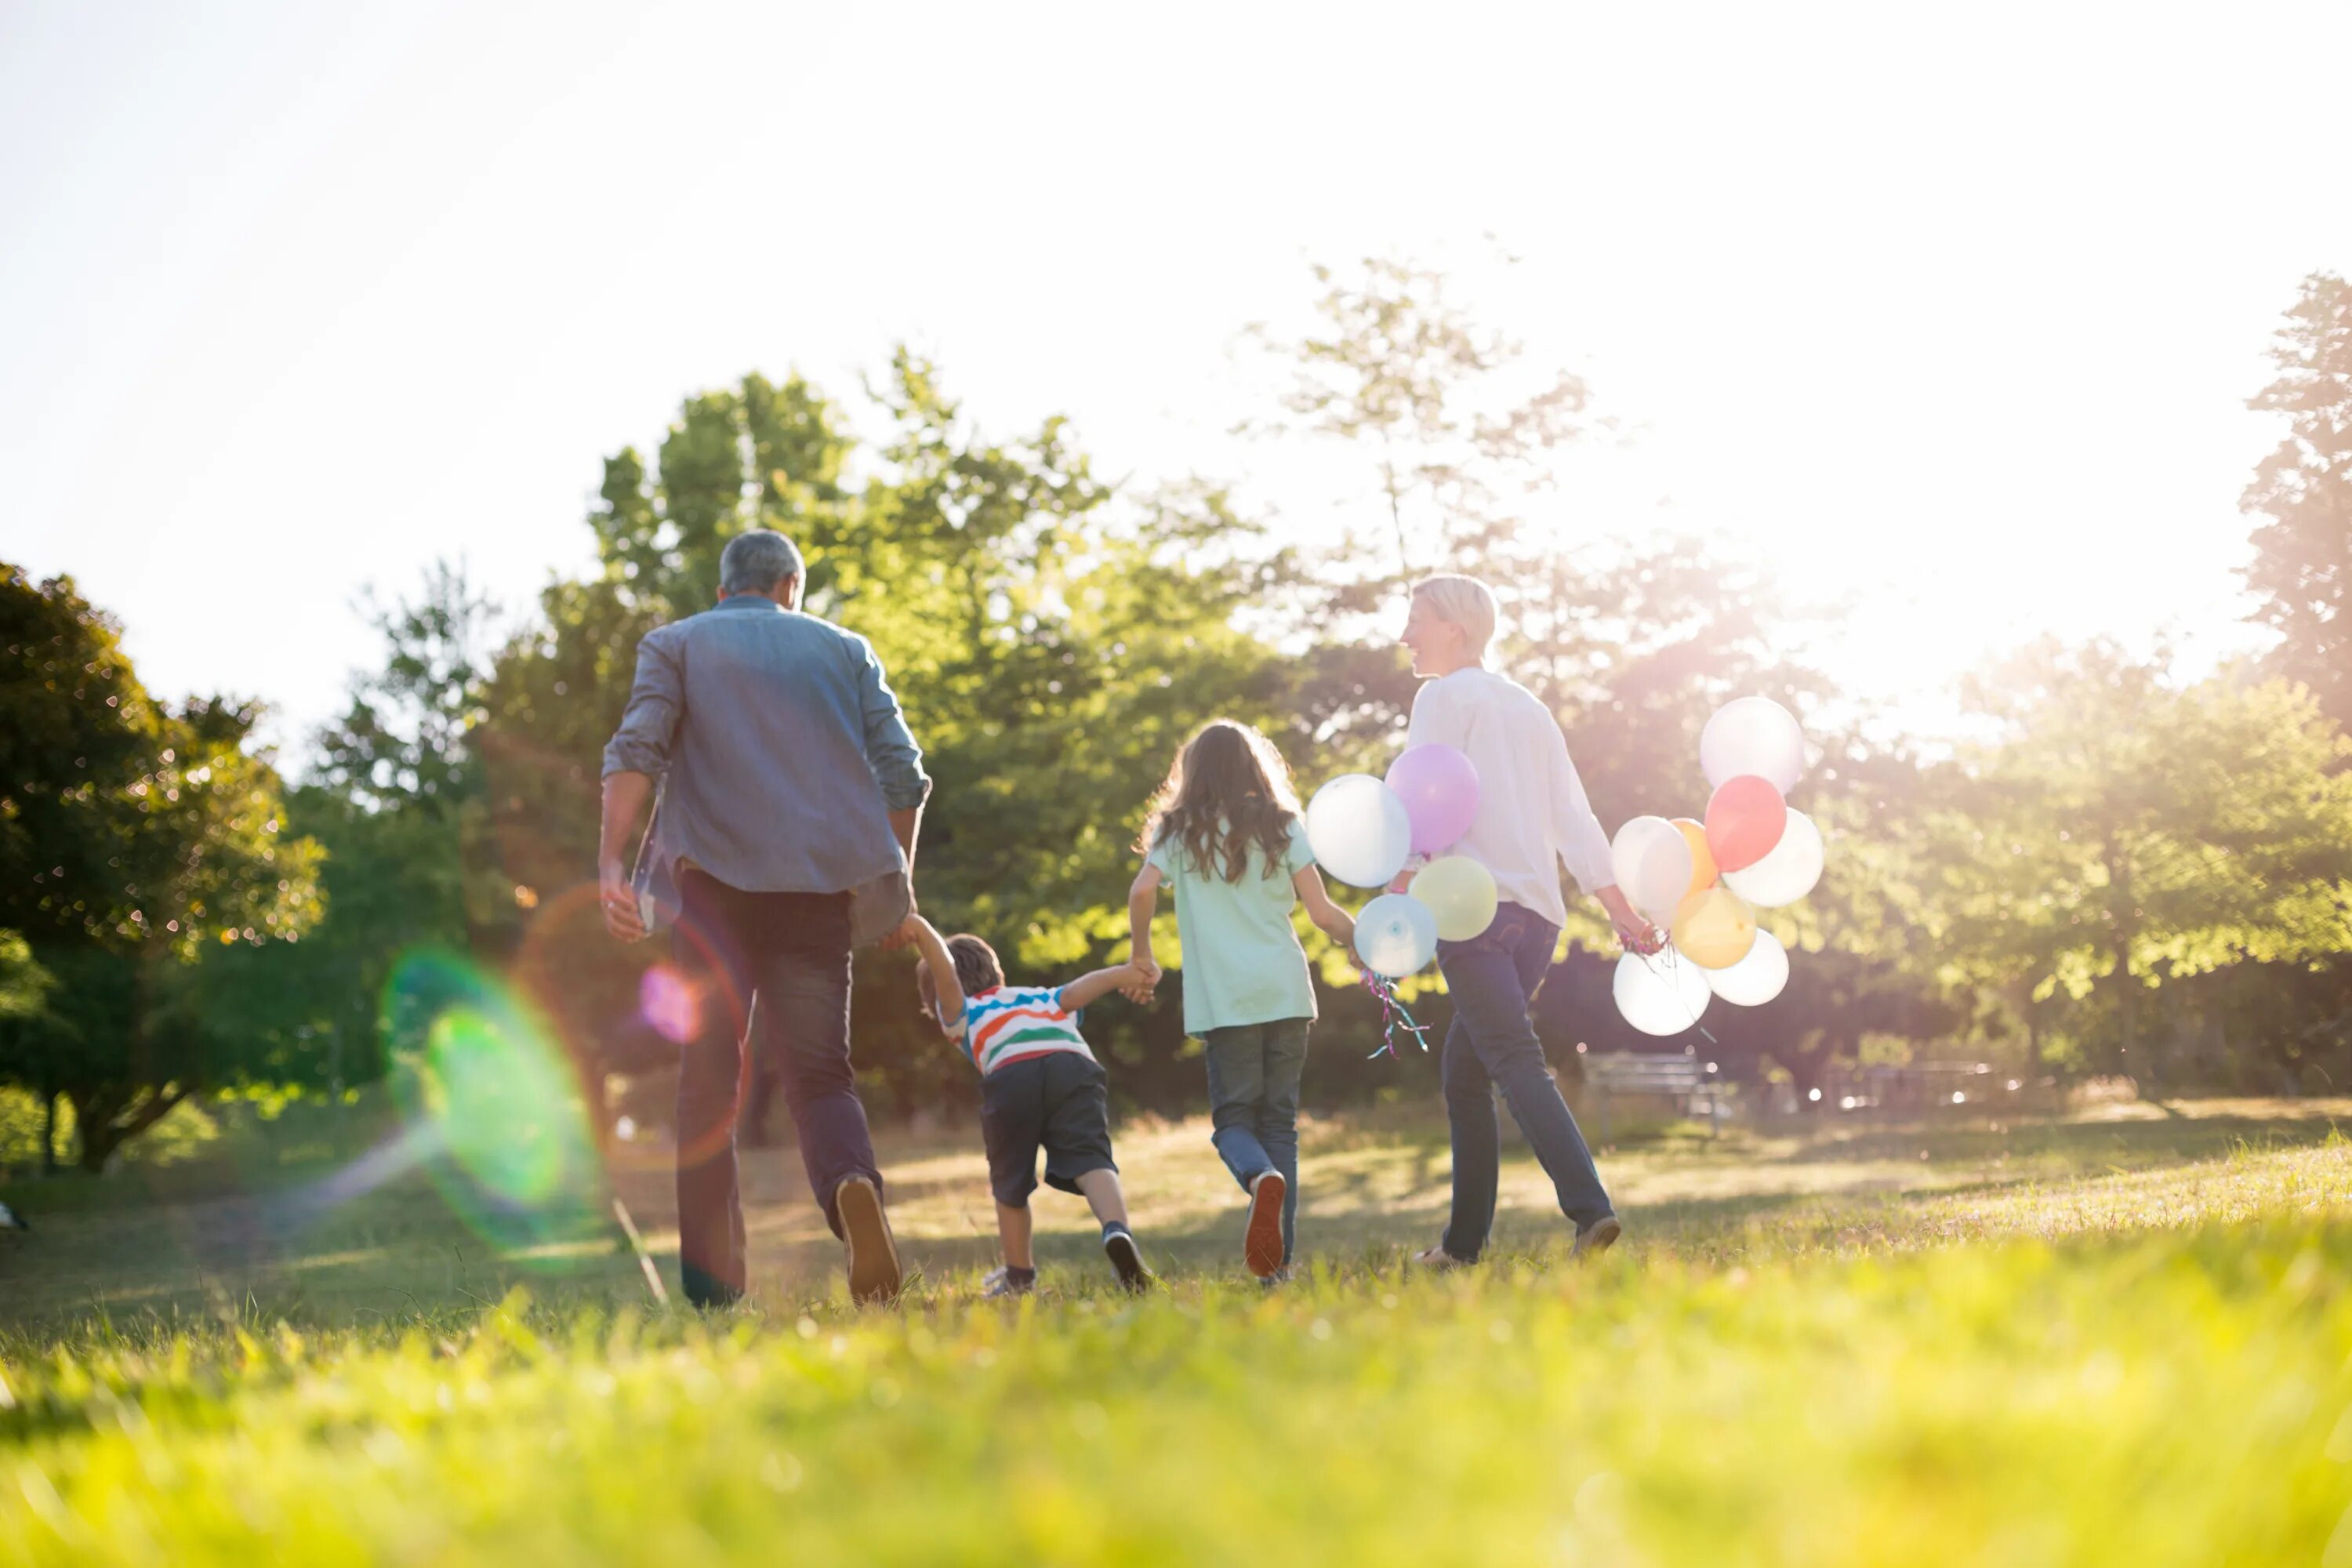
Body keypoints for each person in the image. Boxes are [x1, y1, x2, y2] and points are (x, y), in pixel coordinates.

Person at [599, 529, 930, 1308]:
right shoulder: (846, 648)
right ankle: (851, 1186)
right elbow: (905, 773)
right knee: (820, 1076)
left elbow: (636, 747)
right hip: (817, 893)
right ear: (789, 586)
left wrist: (612, 864)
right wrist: (894, 880)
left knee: (708, 1077)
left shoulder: (675, 643)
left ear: (724, 591)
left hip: (711, 895)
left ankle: (715, 1283)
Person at [1395, 575, 1663, 1270]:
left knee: (1513, 1060)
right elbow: (1574, 816)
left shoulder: (1440, 696)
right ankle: (1460, 1249)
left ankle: (1590, 1210)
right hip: (1538, 919)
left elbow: (1423, 790)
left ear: (1454, 628)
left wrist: (1399, 882)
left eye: (1416, 620)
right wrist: (1622, 914)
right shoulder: (1528, 707)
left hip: (1470, 909)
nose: (1404, 636)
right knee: (1466, 1073)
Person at [1127, 720, 1356, 1280]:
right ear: (1257, 768)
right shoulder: (1282, 826)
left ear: (1194, 771)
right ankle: (1280, 1267)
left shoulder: (1178, 830)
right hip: (1284, 991)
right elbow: (1323, 914)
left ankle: (1258, 1179)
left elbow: (1140, 890)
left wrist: (1142, 957)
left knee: (1234, 1120)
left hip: (1227, 1002)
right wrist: (1364, 945)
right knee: (1280, 1125)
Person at [905, 916, 1154, 1298]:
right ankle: (1117, 1231)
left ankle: (1019, 1277)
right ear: (996, 973)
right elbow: (1075, 994)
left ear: (934, 999)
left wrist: (920, 931)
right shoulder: (1037, 996)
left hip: (1011, 1073)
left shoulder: (960, 1013)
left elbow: (946, 977)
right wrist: (1124, 973)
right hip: (1074, 1065)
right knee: (1092, 1160)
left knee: (1010, 1181)